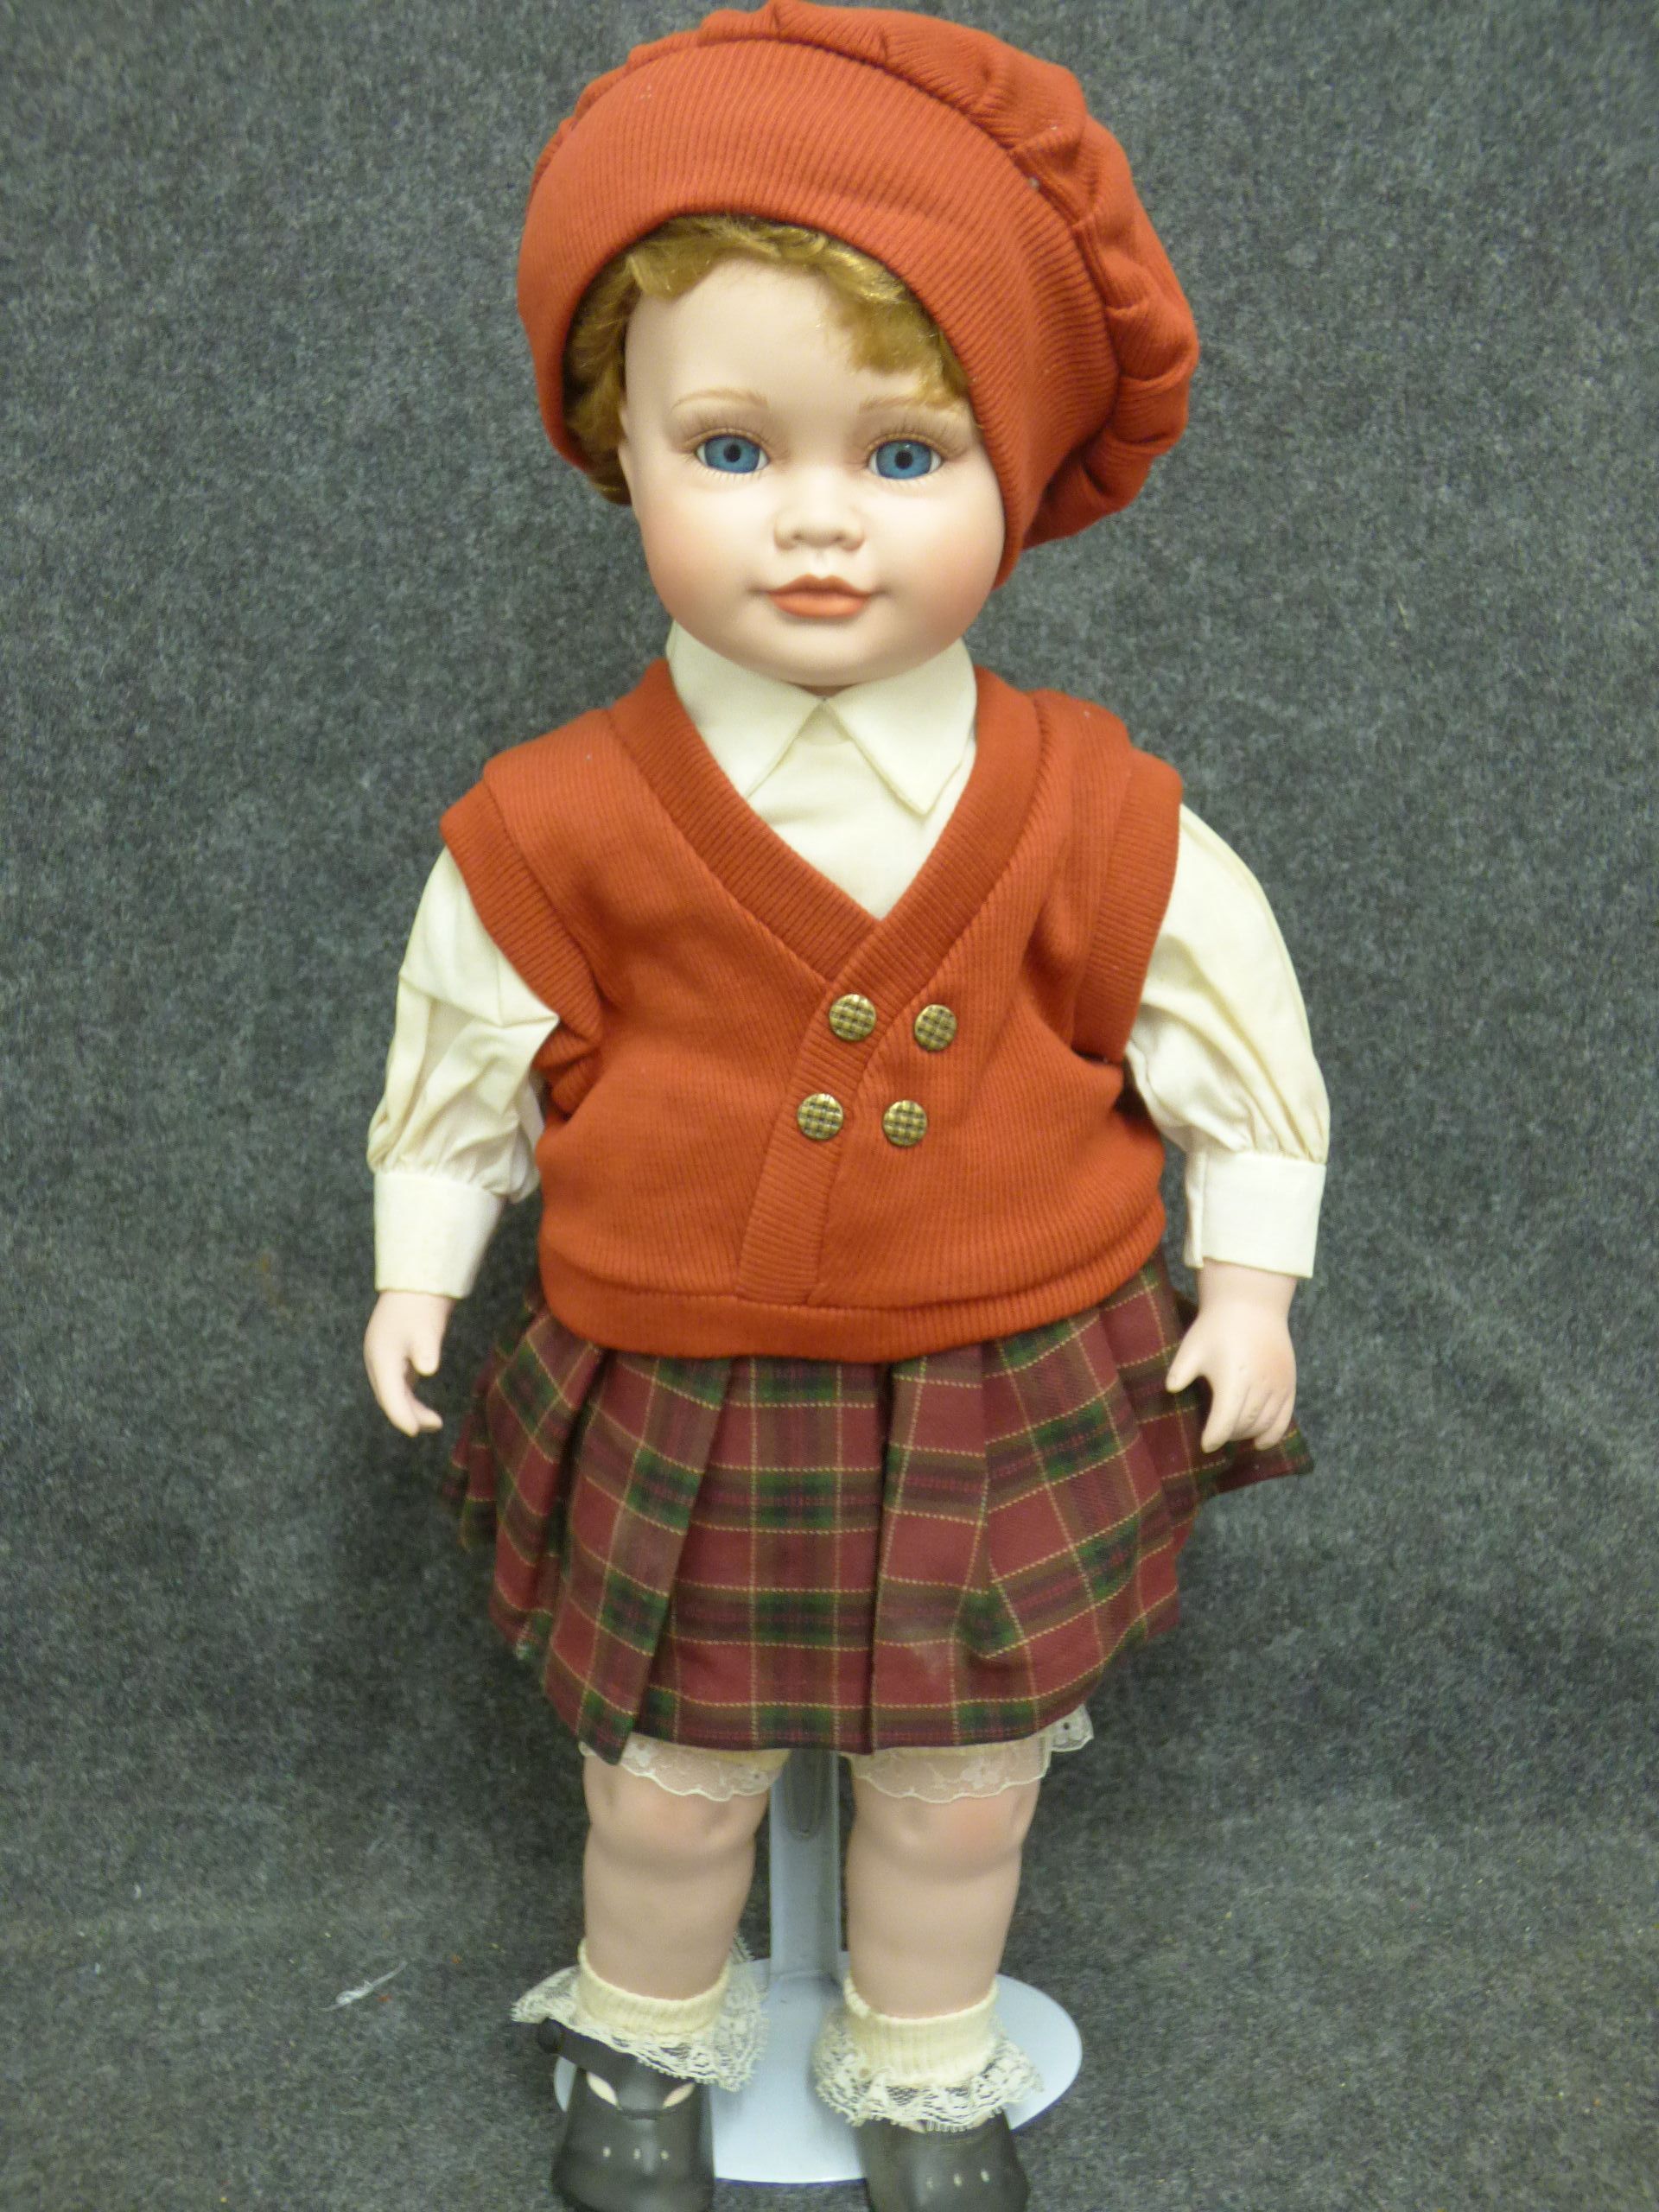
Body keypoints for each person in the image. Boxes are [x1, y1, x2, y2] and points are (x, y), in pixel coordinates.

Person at [363, 7, 1329, 2209]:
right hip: (684, 1383)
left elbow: (1232, 1041)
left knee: (963, 1793)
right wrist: (420, 1263)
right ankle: (641, 2047)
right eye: (732, 446)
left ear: (1017, 474)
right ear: (617, 446)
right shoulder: (554, 821)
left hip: (1009, 1380)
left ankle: (925, 2061)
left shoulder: (1100, 816)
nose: (815, 523)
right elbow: (462, 1056)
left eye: (906, 455)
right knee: (667, 1785)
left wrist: (1254, 1282)